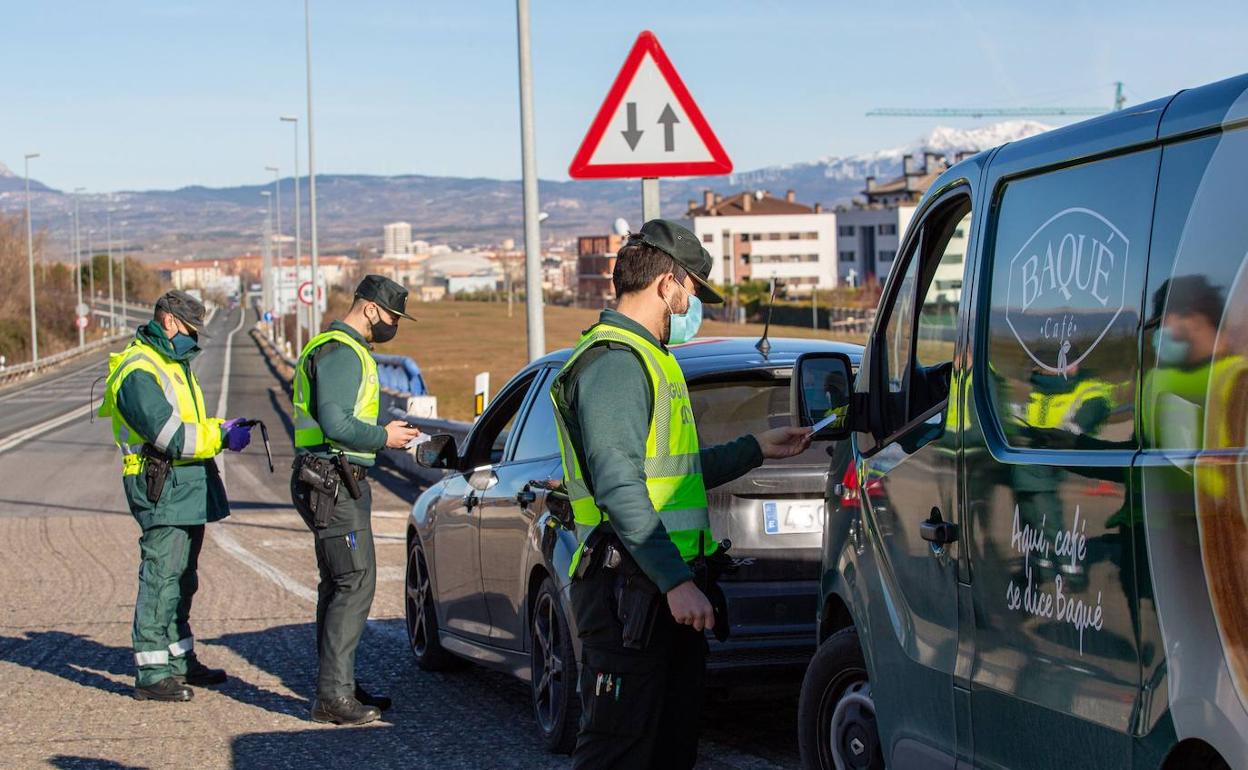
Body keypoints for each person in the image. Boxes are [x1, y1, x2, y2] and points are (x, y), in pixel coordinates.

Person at [551, 220, 812, 768]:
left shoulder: (646, 358)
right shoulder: (616, 363)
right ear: (667, 284)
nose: (693, 302)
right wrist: (674, 582)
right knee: (618, 753)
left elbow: (674, 474)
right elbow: (621, 488)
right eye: (692, 287)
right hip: (630, 591)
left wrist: (757, 448)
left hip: (651, 590)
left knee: (667, 750)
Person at [97, 290, 253, 702]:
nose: (193, 338)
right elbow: (170, 435)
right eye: (189, 329)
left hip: (184, 483)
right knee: (161, 576)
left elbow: (189, 423)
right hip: (159, 482)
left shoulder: (171, 362)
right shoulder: (138, 369)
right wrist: (220, 436)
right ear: (168, 322)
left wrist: (222, 425)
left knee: (184, 577)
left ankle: (180, 660)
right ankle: (151, 673)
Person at [290, 274, 422, 726]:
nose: (393, 326)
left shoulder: (337, 348)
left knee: (340, 583)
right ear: (369, 309)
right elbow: (336, 423)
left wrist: (382, 436)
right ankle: (333, 696)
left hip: (332, 477)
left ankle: (339, 683)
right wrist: (384, 436)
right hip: (332, 479)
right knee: (354, 581)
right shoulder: (342, 353)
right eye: (391, 316)